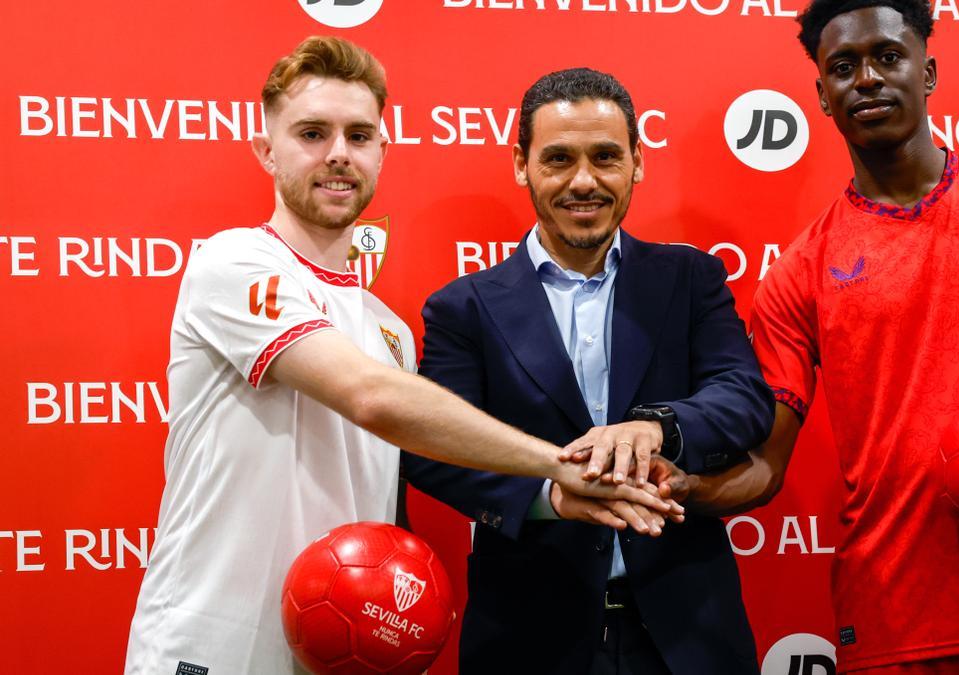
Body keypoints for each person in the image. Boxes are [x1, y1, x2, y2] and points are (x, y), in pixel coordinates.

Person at [123, 39, 676, 675]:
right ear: (265, 149)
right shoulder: (235, 263)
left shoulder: (389, 330)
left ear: (382, 152)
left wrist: (554, 494)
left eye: (359, 136)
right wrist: (560, 461)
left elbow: (420, 448)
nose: (338, 154)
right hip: (215, 641)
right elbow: (373, 397)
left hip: (341, 651)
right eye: (311, 133)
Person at [661, 1, 959, 672]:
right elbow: (764, 467)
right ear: (821, 95)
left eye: (888, 56)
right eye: (843, 67)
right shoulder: (799, 273)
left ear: (928, 70)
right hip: (897, 614)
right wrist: (680, 487)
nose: (868, 79)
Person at [402, 68, 774, 675]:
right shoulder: (463, 307)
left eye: (605, 156)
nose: (584, 181)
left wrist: (656, 428)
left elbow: (743, 397)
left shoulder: (690, 280)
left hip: (690, 635)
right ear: (522, 164)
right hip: (527, 640)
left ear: (637, 162)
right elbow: (433, 449)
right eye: (558, 159)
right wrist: (550, 495)